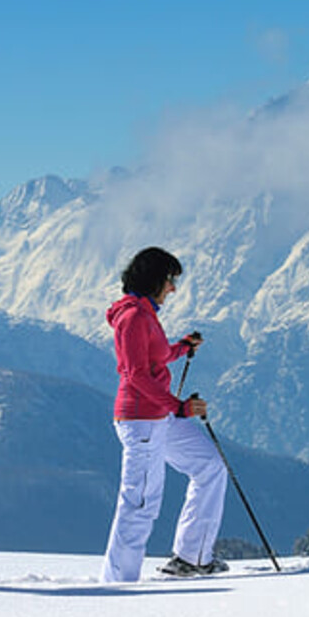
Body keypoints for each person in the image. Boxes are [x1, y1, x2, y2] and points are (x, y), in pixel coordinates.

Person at [102, 246, 229, 581]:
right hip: (142, 420)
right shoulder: (132, 318)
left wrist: (181, 348)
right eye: (170, 280)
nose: (173, 287)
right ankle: (117, 585)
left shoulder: (145, 315)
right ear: (153, 279)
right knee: (140, 503)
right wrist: (180, 407)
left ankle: (194, 557)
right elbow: (135, 374)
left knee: (210, 465)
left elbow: (154, 359)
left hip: (159, 416)